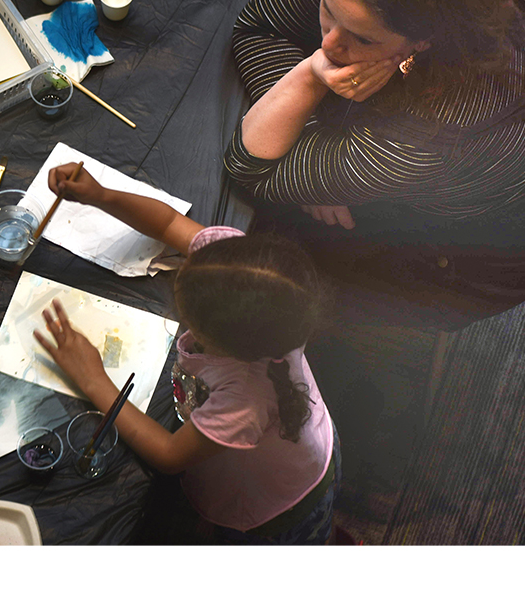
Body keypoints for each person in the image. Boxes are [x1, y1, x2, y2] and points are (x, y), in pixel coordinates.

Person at [223, 0, 525, 329]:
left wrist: (308, 80)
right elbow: (257, 25)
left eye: (362, 39)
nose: (330, 47)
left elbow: (249, 169)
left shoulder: (427, 138)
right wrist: (316, 138)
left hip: (470, 258)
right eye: (327, 11)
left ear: (423, 41)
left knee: (279, 256)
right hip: (470, 163)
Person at [36, 163, 338, 545]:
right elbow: (167, 225)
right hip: (299, 438)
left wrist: (94, 380)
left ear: (221, 345)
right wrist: (101, 195)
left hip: (276, 504)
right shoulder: (240, 270)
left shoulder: (244, 401)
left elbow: (168, 455)